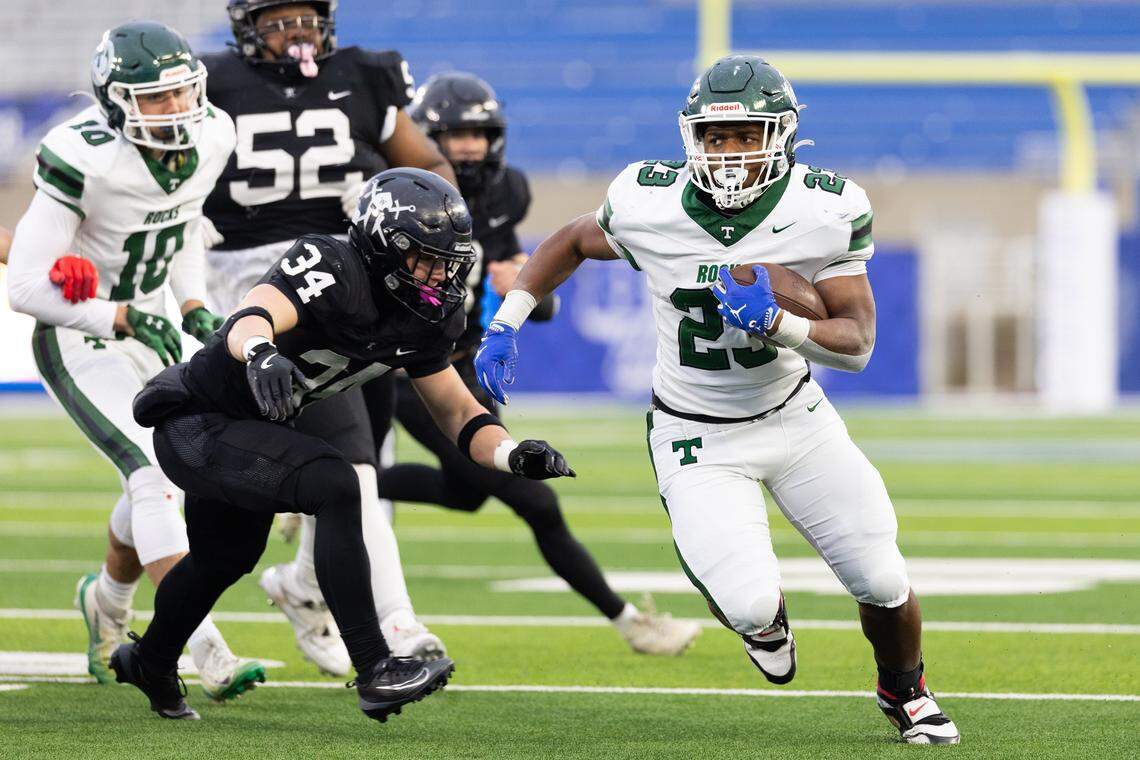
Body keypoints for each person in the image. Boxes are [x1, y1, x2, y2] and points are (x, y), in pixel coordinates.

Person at [474, 55, 960, 745]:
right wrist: (506, 322)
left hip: (796, 419)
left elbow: (856, 345)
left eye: (745, 134)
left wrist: (780, 323)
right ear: (691, 137)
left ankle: (905, 690)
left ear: (782, 135)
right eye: (715, 135)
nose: (729, 151)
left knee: (881, 576)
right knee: (750, 603)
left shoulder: (824, 209)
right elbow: (573, 239)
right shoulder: (649, 202)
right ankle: (764, 622)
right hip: (696, 432)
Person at [118, 167, 574, 722]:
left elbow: (456, 411)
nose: (440, 276)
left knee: (223, 558)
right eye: (426, 260)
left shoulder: (426, 316)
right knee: (336, 483)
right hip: (198, 421)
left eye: (449, 263)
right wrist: (261, 352)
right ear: (384, 245)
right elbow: (252, 314)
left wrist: (511, 454)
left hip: (252, 432)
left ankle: (150, 660)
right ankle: (376, 665)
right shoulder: (333, 264)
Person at [362, 72, 701, 655]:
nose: (470, 147)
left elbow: (537, 304)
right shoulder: (395, 195)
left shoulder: (505, 193)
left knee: (467, 493)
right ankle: (630, 623)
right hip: (410, 371)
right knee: (535, 500)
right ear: (425, 139)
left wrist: (522, 286)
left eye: (479, 134)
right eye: (456, 135)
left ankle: (346, 484)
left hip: (459, 361)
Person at [4, 22, 264, 701]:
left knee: (167, 476)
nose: (174, 108)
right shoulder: (83, 157)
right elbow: (25, 286)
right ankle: (202, 646)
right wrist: (114, 313)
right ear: (116, 102)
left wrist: (194, 303)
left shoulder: (214, 134)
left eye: (181, 92)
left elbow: (181, 227)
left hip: (153, 326)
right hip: (80, 335)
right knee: (151, 476)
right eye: (155, 97)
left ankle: (107, 604)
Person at [197, 0, 457, 674]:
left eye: (305, 16)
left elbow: (432, 171)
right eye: (277, 19)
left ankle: (307, 588)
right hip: (251, 281)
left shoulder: (363, 75)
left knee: (358, 459)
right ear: (247, 26)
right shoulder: (211, 82)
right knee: (351, 463)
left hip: (350, 274)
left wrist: (383, 195)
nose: (296, 32)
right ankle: (396, 623)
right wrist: (180, 214)